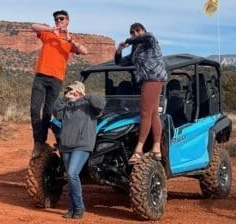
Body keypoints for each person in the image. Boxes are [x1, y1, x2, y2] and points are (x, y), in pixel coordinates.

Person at [30, 10, 88, 158]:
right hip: (41, 76)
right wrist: (51, 29)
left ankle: (61, 141)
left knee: (49, 113)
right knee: (35, 108)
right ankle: (39, 142)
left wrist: (69, 39)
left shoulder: (69, 40)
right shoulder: (47, 34)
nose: (58, 21)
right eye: (56, 19)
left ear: (67, 21)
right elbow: (33, 26)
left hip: (56, 79)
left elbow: (84, 51)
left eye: (61, 19)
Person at [114, 23, 167, 163]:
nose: (135, 34)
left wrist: (128, 40)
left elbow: (147, 37)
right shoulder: (135, 52)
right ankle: (156, 148)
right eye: (132, 32)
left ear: (143, 30)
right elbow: (119, 62)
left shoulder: (150, 41)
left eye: (137, 30)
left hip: (154, 77)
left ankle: (138, 149)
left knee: (144, 112)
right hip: (146, 80)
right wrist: (119, 50)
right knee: (153, 113)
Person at [52, 81, 105, 219]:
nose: (71, 92)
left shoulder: (89, 105)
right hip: (66, 145)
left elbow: (101, 104)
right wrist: (65, 98)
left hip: (82, 145)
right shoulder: (66, 105)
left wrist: (84, 96)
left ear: (81, 91)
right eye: (69, 90)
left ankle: (79, 207)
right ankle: (72, 208)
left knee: (72, 173)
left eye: (73, 90)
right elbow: (55, 111)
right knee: (70, 177)